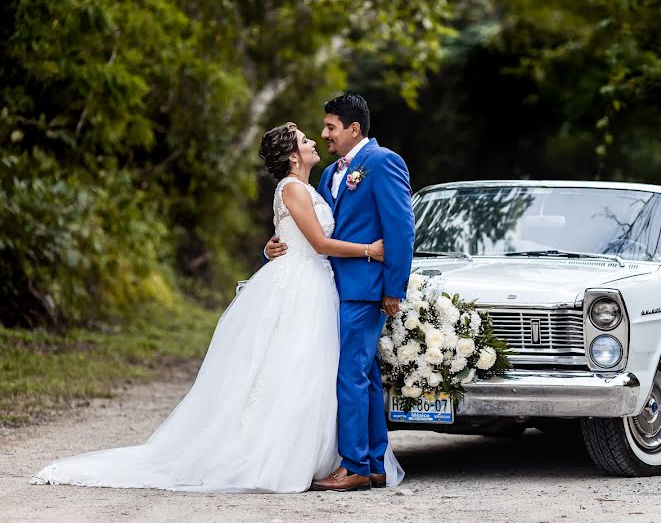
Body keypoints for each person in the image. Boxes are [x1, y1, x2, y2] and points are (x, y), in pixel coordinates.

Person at [31, 122, 402, 492]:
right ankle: (277, 454)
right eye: (306, 140)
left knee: (314, 370)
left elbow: (295, 237)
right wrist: (371, 250)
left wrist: (271, 246)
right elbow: (319, 243)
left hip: (318, 285)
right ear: (293, 156)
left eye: (319, 132)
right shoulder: (292, 188)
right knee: (288, 366)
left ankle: (344, 456)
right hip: (301, 285)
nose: (315, 141)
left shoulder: (314, 186)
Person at [265, 93, 415, 492]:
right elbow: (313, 230)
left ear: (353, 128)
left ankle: (354, 466)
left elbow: (400, 230)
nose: (324, 134)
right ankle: (374, 462)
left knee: (350, 374)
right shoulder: (331, 172)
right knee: (363, 374)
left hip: (365, 289)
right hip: (333, 286)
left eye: (330, 127)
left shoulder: (383, 163)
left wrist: (393, 288)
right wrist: (274, 244)